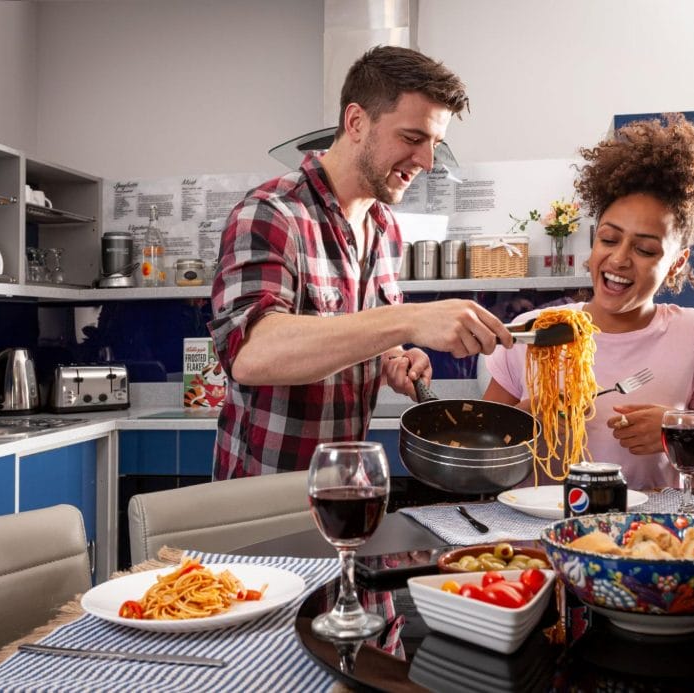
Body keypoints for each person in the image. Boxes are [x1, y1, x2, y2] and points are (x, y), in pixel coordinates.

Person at [208, 46, 513, 480]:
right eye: (412, 138)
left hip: (343, 486)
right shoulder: (272, 214)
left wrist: (393, 358)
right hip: (262, 502)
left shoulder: (384, 226)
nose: (427, 162)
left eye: (435, 144)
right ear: (356, 122)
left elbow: (356, 334)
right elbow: (254, 354)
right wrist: (405, 321)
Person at [483, 113, 694, 491]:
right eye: (608, 239)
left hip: (648, 536)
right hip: (536, 535)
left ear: (676, 263)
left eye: (645, 249)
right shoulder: (536, 330)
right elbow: (478, 461)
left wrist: (683, 437)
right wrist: (523, 424)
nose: (619, 259)